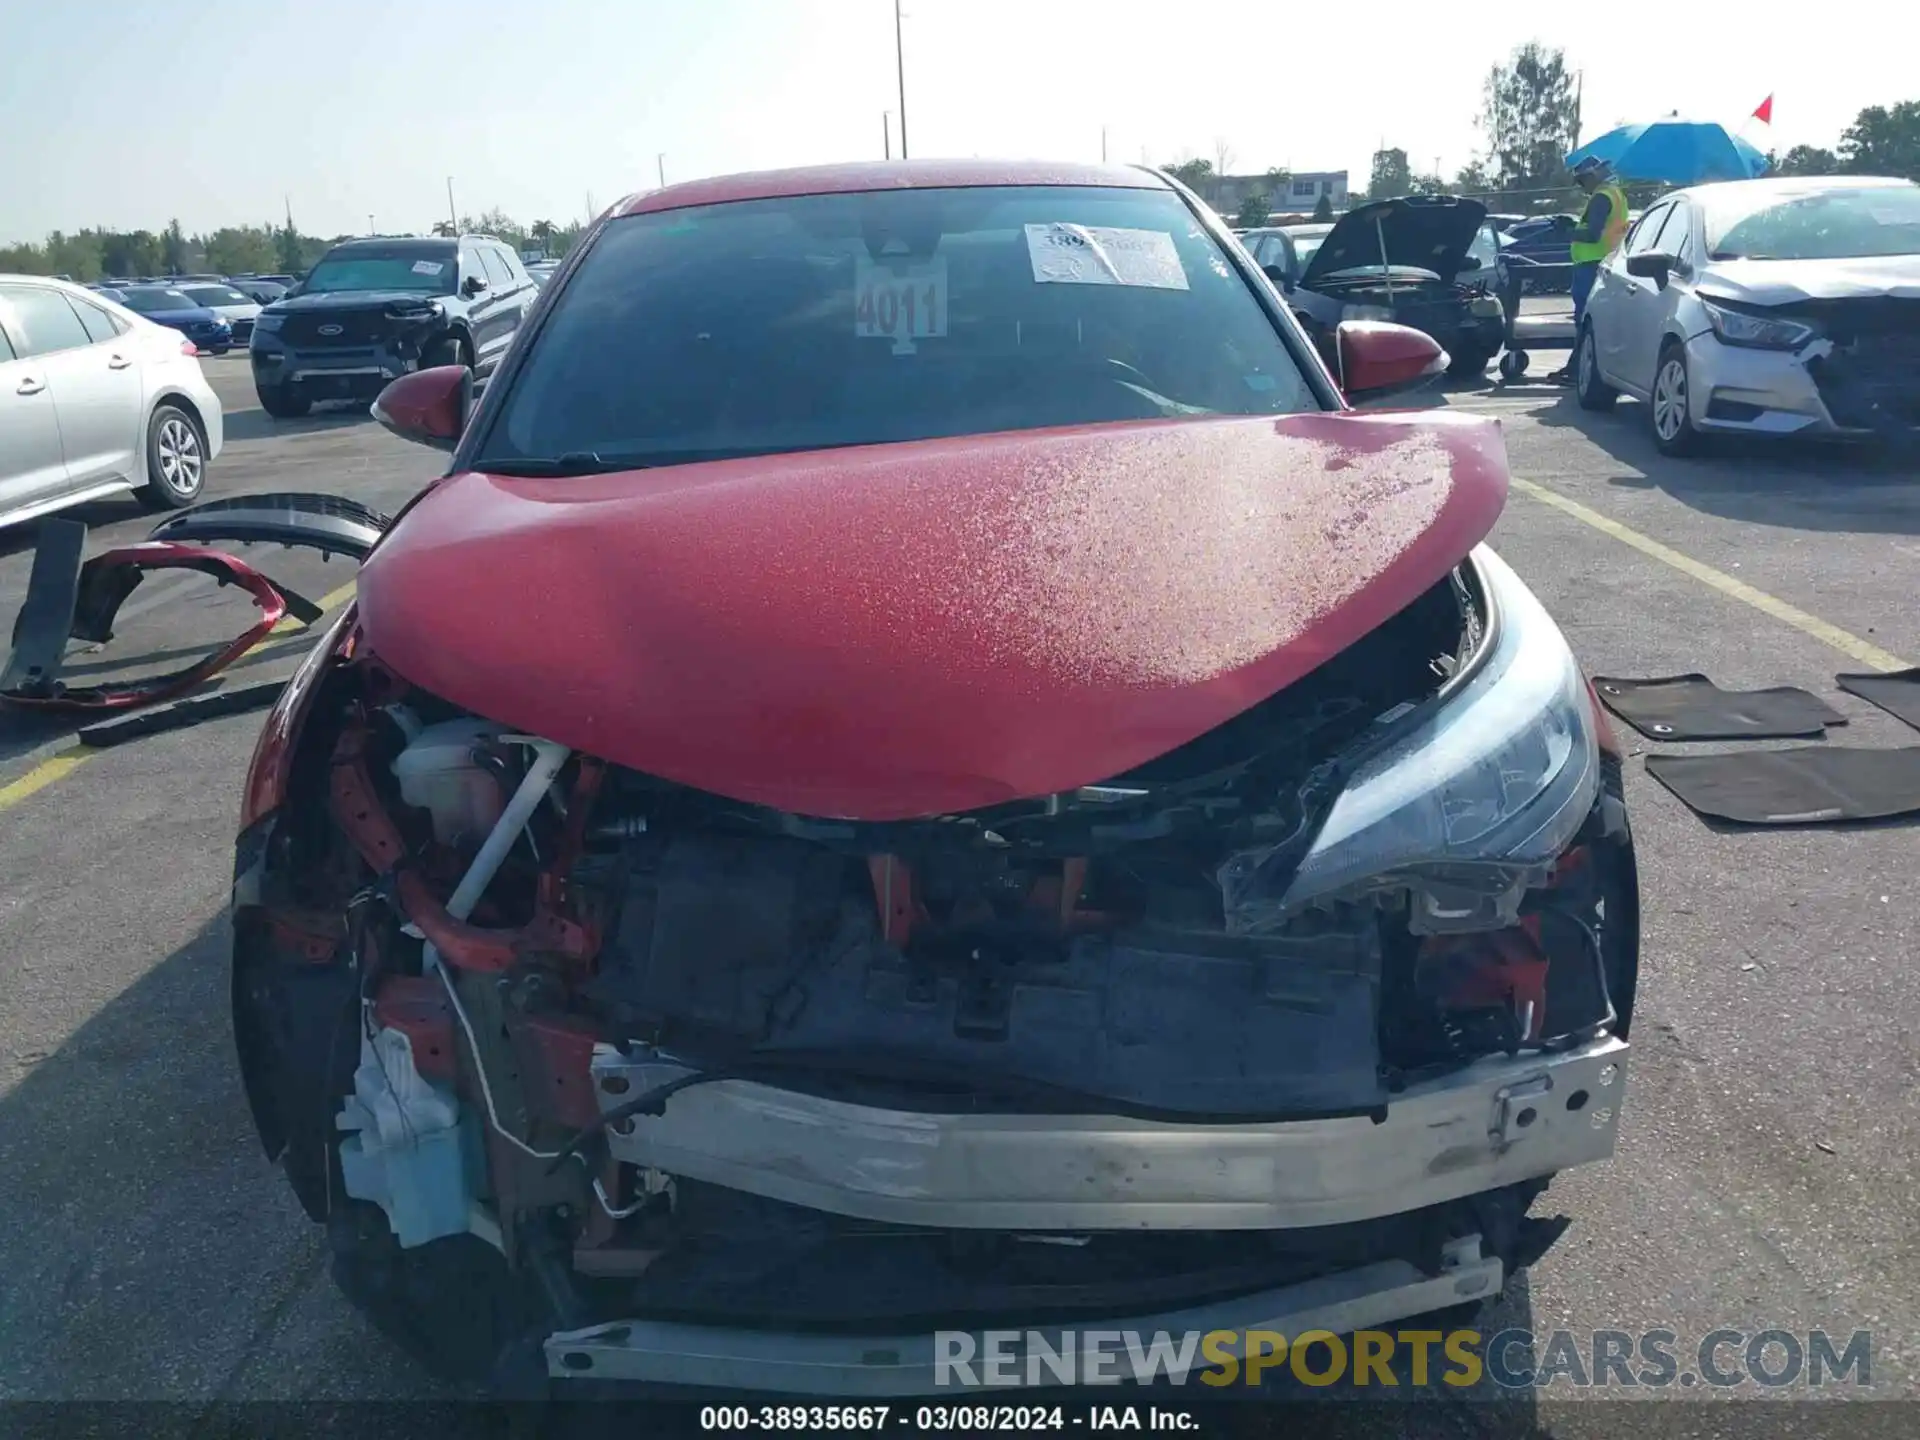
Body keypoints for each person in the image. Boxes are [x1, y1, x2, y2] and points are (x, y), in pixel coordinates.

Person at [1547, 157, 1629, 382]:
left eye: (1582, 180)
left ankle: (1578, 370)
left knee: (1584, 319)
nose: (1580, 186)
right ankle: (1579, 367)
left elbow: (1592, 235)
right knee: (1590, 319)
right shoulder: (1616, 194)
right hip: (1603, 262)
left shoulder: (1602, 197)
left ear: (1592, 175)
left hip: (1591, 265)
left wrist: (1567, 231)